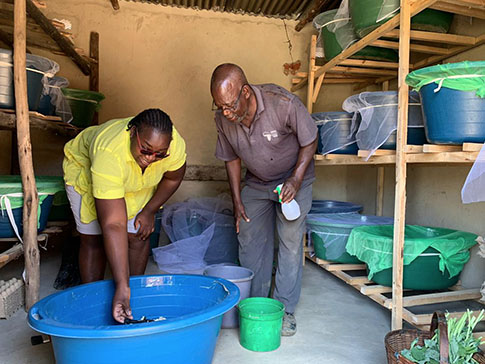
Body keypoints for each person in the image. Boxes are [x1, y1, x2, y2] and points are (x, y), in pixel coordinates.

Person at [210, 64, 317, 336]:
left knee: (290, 241)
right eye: (219, 106)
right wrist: (237, 202)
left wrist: (295, 179)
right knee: (249, 239)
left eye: (229, 105)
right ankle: (254, 304)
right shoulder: (223, 118)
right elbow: (231, 158)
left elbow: (310, 140)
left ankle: (283, 309)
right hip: (257, 182)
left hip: (292, 180)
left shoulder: (282, 103)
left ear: (245, 92)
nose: (225, 112)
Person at [63, 108, 186, 323]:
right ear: (132, 132)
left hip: (136, 179)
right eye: (146, 149)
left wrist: (149, 211)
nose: (151, 158)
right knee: (94, 237)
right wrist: (120, 285)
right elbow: (114, 224)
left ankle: (131, 296)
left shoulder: (171, 146)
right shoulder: (108, 151)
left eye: (160, 154)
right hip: (88, 168)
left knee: (139, 233)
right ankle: (95, 299)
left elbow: (173, 178)